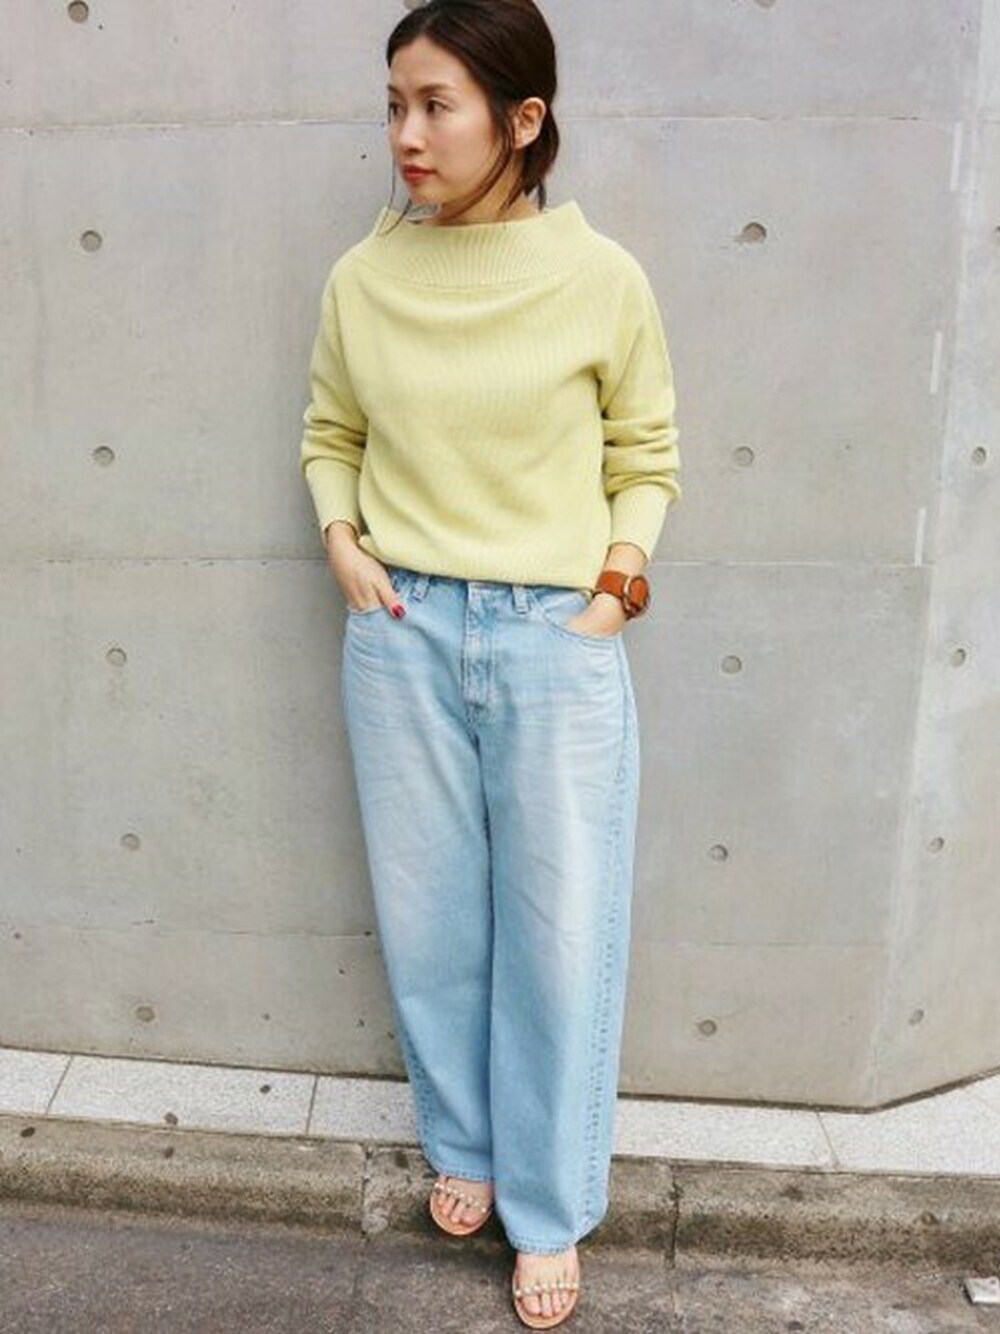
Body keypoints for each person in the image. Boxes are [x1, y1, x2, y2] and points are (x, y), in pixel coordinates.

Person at [299, 1, 681, 1326]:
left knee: (560, 940)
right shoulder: (363, 279)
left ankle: (549, 1204)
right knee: (430, 923)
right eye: (393, 104)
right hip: (400, 632)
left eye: (436, 105)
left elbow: (646, 452)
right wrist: (342, 539)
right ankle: (462, 1142)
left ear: (523, 120)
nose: (406, 134)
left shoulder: (601, 278)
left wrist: (615, 589)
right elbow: (330, 430)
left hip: (552, 637)